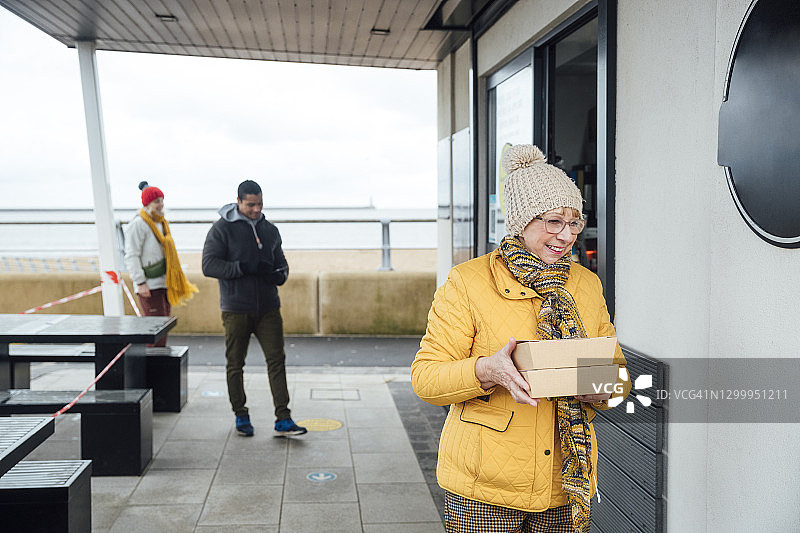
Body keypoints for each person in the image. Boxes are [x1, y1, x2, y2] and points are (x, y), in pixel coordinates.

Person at [411, 144, 630, 533]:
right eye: (554, 221)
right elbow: (426, 378)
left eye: (575, 223)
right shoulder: (468, 282)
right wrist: (486, 370)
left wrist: (599, 387)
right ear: (521, 220)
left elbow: (617, 377)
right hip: (483, 489)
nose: (566, 235)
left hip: (565, 486)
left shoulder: (586, 284)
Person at [201, 179, 306, 438]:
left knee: (277, 361)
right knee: (236, 363)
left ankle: (283, 418)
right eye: (250, 205)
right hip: (236, 308)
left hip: (268, 307)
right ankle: (241, 414)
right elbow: (209, 265)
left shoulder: (270, 230)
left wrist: (278, 275)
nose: (256, 209)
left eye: (259, 204)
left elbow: (282, 263)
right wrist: (242, 267)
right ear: (238, 202)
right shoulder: (221, 229)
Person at [124, 181, 198, 346]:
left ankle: (159, 358)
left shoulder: (161, 222)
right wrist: (140, 282)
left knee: (163, 326)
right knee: (154, 330)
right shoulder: (138, 224)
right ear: (147, 204)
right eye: (157, 201)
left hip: (164, 282)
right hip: (149, 285)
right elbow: (131, 255)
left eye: (162, 200)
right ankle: (153, 359)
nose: (161, 204)